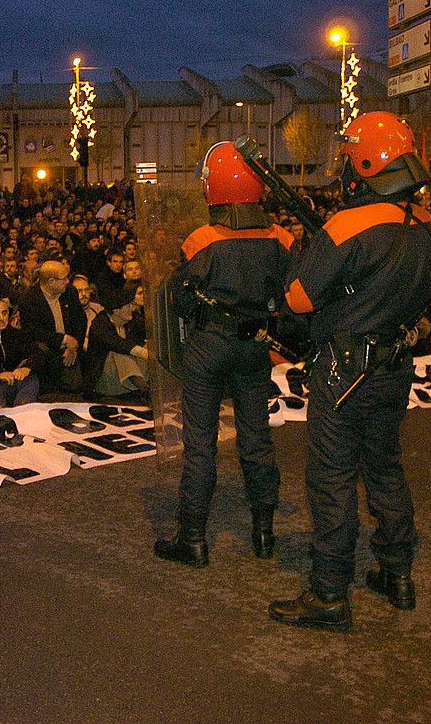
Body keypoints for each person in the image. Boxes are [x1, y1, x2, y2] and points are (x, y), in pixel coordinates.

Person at [269, 112, 431, 632]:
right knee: (385, 469)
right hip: (394, 366)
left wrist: (307, 256)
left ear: (365, 163)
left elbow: (298, 299)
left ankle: (328, 593)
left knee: (333, 479)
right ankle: (398, 575)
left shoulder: (349, 223)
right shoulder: (429, 224)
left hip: (343, 369)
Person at [154, 142, 294, 570]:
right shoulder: (281, 238)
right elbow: (293, 296)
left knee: (200, 445)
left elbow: (179, 300)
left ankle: (193, 539)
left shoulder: (202, 239)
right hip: (254, 348)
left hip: (209, 348)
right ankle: (264, 533)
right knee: (256, 439)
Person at [17, 260, 86, 393]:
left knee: (75, 385)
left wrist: (74, 346)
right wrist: (64, 339)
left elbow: (80, 322)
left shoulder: (70, 292)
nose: (67, 282)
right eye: (63, 279)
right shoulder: (29, 299)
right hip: (46, 348)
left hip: (70, 348)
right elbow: (33, 332)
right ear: (51, 282)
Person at [83, 283, 149, 397]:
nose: (132, 308)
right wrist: (142, 352)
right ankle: (145, 390)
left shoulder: (132, 321)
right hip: (103, 379)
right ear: (116, 310)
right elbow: (117, 343)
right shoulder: (100, 324)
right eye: (128, 306)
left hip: (126, 376)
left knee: (149, 346)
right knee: (119, 353)